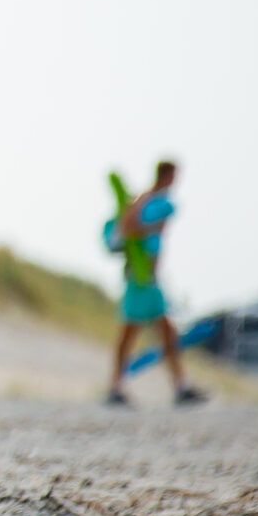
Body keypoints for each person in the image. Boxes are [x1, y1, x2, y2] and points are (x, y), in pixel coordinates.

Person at [105, 158, 206, 406]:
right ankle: (116, 387)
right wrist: (149, 226)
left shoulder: (150, 201)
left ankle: (180, 387)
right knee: (131, 334)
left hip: (149, 280)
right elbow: (128, 227)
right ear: (167, 176)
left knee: (165, 333)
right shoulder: (151, 203)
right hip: (140, 280)